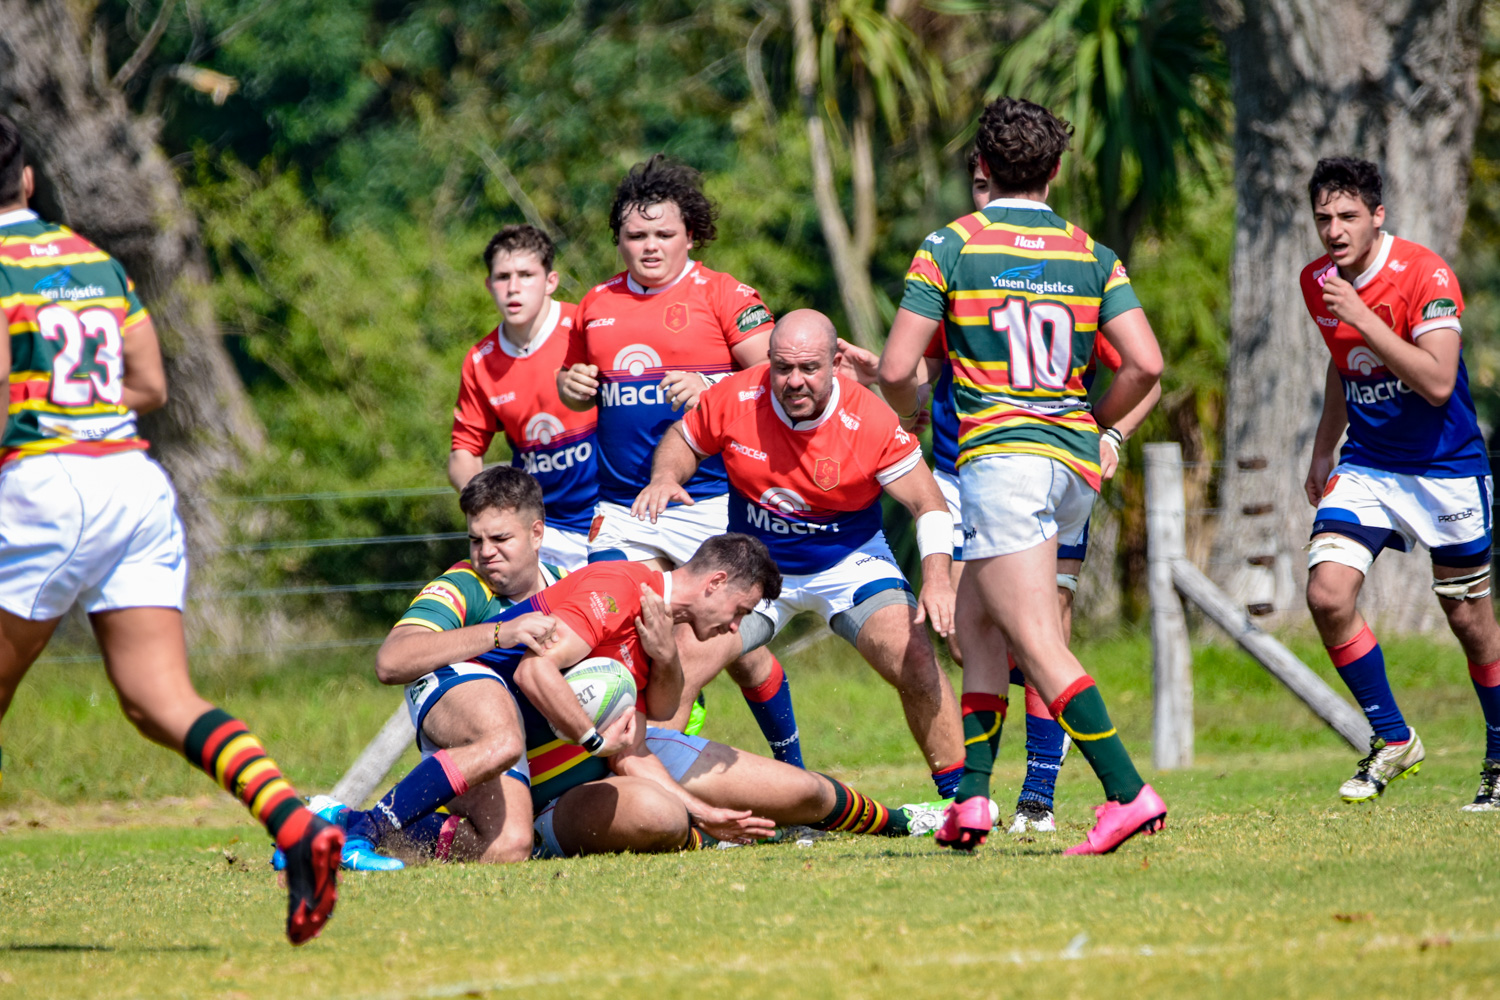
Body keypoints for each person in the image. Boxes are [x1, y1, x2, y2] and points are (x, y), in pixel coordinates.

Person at [0, 114, 342, 944]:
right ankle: (295, 824)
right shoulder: (92, 260)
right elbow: (148, 382)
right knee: (160, 700)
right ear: (29, 181)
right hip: (132, 481)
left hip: (45, 483)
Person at [879, 97, 1167, 855]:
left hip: (1002, 462)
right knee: (977, 625)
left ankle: (1127, 792)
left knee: (1036, 643)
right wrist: (1096, 425)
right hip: (1071, 464)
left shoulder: (949, 245)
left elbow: (898, 366)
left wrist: (908, 420)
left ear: (982, 167)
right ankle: (972, 801)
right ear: (1057, 169)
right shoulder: (1091, 253)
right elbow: (1147, 364)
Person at [340, 534, 938, 860]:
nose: (737, 629)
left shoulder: (663, 629)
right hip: (511, 741)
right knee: (542, 838)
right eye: (740, 611)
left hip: (588, 764)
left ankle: (905, 823)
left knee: (800, 790)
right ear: (715, 583)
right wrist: (598, 738)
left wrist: (668, 657)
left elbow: (650, 732)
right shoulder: (617, 589)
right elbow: (533, 676)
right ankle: (365, 828)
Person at [632, 310, 968, 807]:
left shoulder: (869, 418)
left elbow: (928, 503)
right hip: (754, 567)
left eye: (809, 368)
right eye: (782, 367)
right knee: (675, 663)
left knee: (916, 659)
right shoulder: (737, 395)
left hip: (848, 559)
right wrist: (665, 478)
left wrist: (938, 579)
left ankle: (960, 803)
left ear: (836, 362)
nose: (794, 382)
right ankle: (655, 801)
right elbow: (684, 439)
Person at [556, 155, 799, 765]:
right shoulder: (595, 304)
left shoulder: (724, 295)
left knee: (739, 651)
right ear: (619, 239)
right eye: (636, 235)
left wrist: (716, 389)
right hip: (622, 505)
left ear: (691, 232)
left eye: (664, 233)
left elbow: (780, 377)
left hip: (710, 502)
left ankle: (792, 766)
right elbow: (569, 377)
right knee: (617, 627)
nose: (650, 246)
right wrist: (572, 385)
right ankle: (643, 758)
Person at [1298, 157, 1500, 810]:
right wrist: (1324, 448)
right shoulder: (1318, 283)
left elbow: (1438, 382)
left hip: (1446, 470)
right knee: (1328, 595)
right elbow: (1342, 362)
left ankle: (1498, 754)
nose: (1334, 230)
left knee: (1469, 620)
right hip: (1370, 464)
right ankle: (1393, 737)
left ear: (1377, 216)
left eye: (1348, 215)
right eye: (1324, 217)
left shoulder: (1424, 273)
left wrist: (1362, 314)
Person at [273, 466, 567, 872]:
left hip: (512, 736)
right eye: (475, 540)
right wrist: (501, 632)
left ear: (537, 534)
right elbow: (391, 661)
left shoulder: (567, 587)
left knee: (509, 847)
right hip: (455, 704)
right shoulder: (463, 585)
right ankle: (363, 828)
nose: (485, 552)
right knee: (502, 740)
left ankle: (333, 826)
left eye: (500, 539)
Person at [448, 225, 595, 570]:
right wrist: (491, 509)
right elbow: (463, 452)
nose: (513, 288)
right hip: (543, 530)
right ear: (488, 285)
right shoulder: (480, 360)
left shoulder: (586, 327)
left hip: (612, 517)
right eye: (502, 277)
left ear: (551, 281)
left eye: (526, 275)